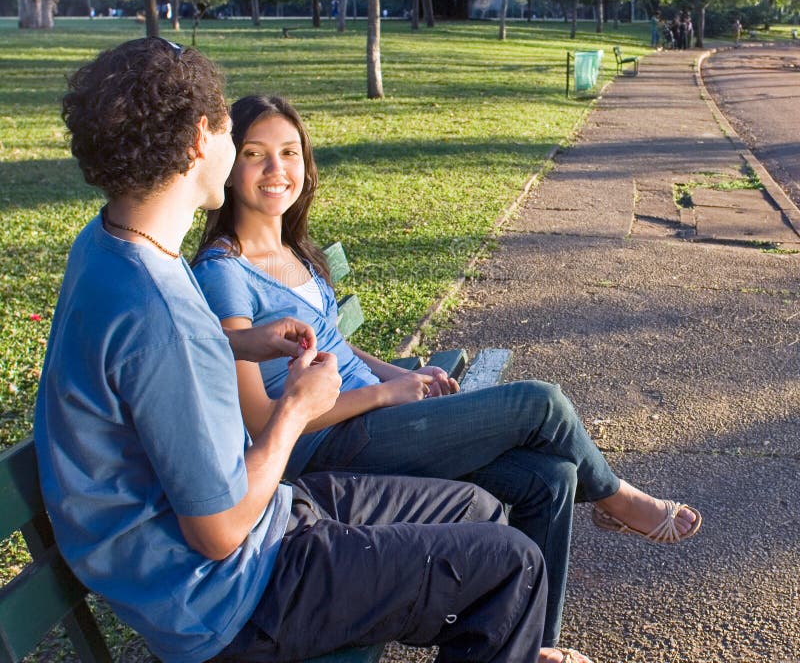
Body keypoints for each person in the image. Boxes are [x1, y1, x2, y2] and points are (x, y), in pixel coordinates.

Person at [34, 37, 573, 663]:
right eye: (226, 132)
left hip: (249, 529)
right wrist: (295, 407)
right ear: (195, 143)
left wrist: (236, 339)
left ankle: (511, 643)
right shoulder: (161, 314)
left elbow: (137, 360)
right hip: (223, 595)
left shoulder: (113, 243)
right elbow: (216, 532)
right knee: (510, 564)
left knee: (477, 509)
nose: (232, 147)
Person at [192, 95, 704, 655]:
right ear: (227, 162)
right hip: (325, 452)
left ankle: (533, 644)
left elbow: (339, 347)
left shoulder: (293, 250)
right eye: (255, 153)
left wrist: (401, 376)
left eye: (289, 153)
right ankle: (615, 498)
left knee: (551, 478)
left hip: (374, 422)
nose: (276, 170)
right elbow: (262, 419)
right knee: (541, 402)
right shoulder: (225, 273)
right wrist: (388, 393)